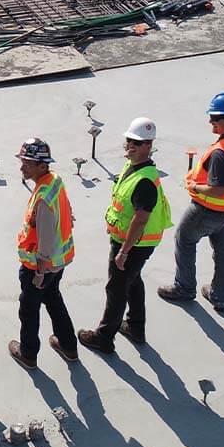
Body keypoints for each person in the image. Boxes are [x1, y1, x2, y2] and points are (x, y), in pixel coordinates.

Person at [158, 93, 224, 311]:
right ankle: (220, 297)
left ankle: (184, 288)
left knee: (184, 240)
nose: (211, 122)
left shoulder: (221, 153)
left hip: (208, 210)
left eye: (215, 118)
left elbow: (217, 189)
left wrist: (195, 187)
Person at [78, 118, 172, 353]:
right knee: (132, 281)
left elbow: (140, 219)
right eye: (129, 141)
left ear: (148, 145)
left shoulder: (144, 182)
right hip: (130, 242)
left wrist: (124, 251)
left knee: (116, 288)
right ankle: (135, 326)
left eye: (137, 143)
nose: (130, 146)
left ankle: (104, 337)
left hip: (133, 244)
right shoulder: (134, 167)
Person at [8, 138, 78, 369]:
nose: (22, 167)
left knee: (28, 310)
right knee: (54, 300)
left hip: (40, 267)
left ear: (41, 165)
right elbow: (67, 209)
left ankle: (28, 354)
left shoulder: (44, 197)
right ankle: (68, 345)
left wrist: (40, 272)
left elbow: (45, 239)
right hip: (59, 262)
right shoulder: (54, 181)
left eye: (27, 163)